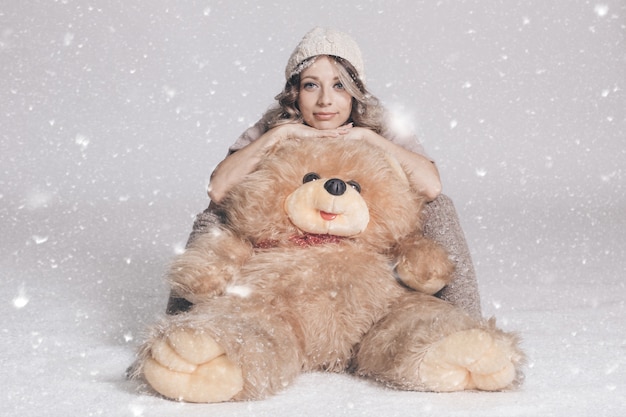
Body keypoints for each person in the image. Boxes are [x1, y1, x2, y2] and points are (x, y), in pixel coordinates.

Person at [166, 27, 482, 319]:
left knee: (440, 209)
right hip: (285, 252)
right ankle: (178, 328)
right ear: (294, 92)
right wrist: (279, 135)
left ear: (355, 91)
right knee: (214, 215)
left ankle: (467, 324)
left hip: (363, 252)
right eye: (311, 85)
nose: (325, 100)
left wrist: (368, 138)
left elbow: (431, 188)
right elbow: (218, 190)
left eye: (339, 85)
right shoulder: (274, 125)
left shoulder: (378, 123)